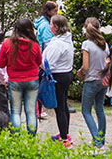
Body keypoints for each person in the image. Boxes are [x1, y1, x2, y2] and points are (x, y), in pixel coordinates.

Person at [0, 17, 42, 135]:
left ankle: (16, 138)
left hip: (15, 80)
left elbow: (0, 63)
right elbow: (38, 62)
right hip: (32, 79)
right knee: (31, 111)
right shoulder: (35, 45)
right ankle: (31, 138)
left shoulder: (7, 44)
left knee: (15, 111)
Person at [43, 14, 74, 146]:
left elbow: (48, 63)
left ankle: (64, 138)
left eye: (50, 24)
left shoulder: (58, 44)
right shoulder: (66, 39)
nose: (49, 26)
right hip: (66, 73)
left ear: (55, 27)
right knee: (63, 105)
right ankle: (64, 133)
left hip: (58, 76)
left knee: (59, 107)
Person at [78, 17, 108, 148]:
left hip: (91, 80)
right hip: (102, 80)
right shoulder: (104, 44)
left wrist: (80, 72)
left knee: (86, 111)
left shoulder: (87, 44)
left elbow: (85, 66)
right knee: (100, 109)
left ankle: (96, 140)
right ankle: (101, 138)